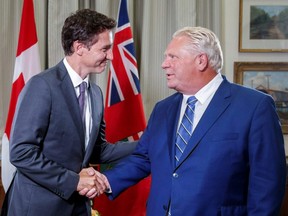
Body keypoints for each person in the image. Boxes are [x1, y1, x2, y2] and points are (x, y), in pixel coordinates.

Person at [102, 26, 287, 215]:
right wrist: (103, 182)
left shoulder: (254, 106)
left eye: (173, 57)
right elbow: (144, 158)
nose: (164, 64)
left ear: (201, 61)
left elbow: (268, 183)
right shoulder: (162, 109)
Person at [2, 9, 135, 216]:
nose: (111, 55)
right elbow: (21, 152)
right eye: (105, 49)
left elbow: (98, 151)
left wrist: (149, 142)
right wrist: (74, 181)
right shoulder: (42, 86)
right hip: (39, 208)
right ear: (79, 47)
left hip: (77, 207)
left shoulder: (95, 94)